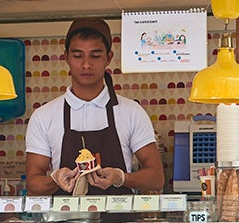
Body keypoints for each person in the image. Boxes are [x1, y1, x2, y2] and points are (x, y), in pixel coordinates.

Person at [25, 17, 164, 197]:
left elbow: (156, 178)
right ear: (66, 57)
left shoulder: (131, 112)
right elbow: (33, 183)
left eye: (95, 55)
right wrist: (55, 179)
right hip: (65, 222)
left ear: (109, 57)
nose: (86, 64)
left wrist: (121, 178)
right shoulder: (44, 116)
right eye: (77, 56)